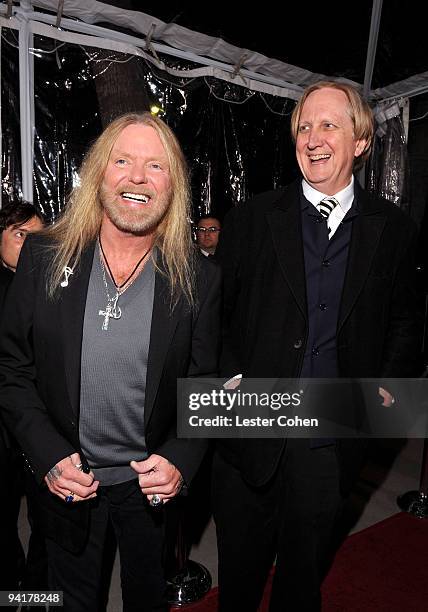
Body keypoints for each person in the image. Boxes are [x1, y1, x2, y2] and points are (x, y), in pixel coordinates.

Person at [213, 81, 422, 611]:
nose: (313, 137)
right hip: (252, 425)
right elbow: (214, 314)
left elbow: (405, 320)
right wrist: (227, 381)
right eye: (304, 126)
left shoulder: (392, 229)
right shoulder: (253, 219)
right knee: (238, 576)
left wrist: (384, 393)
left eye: (328, 124)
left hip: (333, 436)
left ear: (360, 140)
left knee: (302, 578)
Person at [0, 112, 220, 611]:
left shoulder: (199, 280)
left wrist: (181, 459)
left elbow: (206, 382)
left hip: (148, 488)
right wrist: (46, 454)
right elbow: (11, 367)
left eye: (155, 166)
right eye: (122, 160)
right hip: (68, 482)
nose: (137, 177)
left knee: (146, 596)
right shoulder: (42, 256)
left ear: (173, 185)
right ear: (99, 171)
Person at [0, 199, 46, 602]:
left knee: (46, 523)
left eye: (36, 236)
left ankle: (35, 595)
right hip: (2, 431)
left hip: (37, 429)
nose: (30, 244)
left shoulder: (50, 287)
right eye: (19, 235)